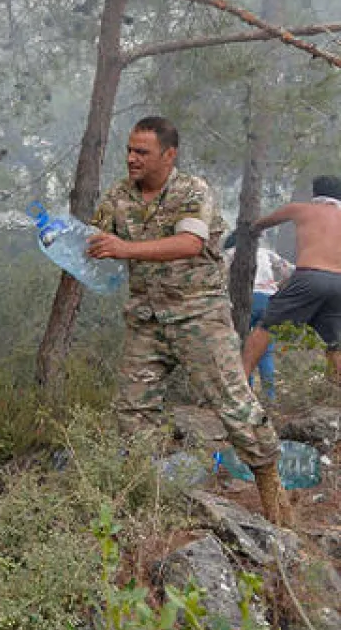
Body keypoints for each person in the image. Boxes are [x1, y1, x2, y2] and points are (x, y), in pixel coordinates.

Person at [85, 116, 289, 525]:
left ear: (169, 154)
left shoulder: (192, 190)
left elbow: (190, 243)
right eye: (129, 150)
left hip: (199, 313)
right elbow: (95, 240)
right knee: (132, 411)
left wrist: (125, 247)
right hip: (146, 318)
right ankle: (145, 501)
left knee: (233, 403)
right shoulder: (117, 197)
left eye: (141, 152)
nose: (131, 159)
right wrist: (68, 240)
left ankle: (272, 493)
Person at [239, 175, 341, 387]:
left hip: (309, 275)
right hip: (338, 281)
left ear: (315, 194)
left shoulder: (300, 209)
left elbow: (263, 223)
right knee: (335, 340)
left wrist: (252, 227)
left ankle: (238, 384)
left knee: (266, 327)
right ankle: (334, 392)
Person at [223, 232, 294, 397]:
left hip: (244, 301)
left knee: (243, 347)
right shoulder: (266, 253)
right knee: (265, 349)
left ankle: (247, 392)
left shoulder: (231, 253)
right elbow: (291, 272)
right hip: (269, 301)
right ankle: (270, 396)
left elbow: (217, 275)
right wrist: (277, 286)